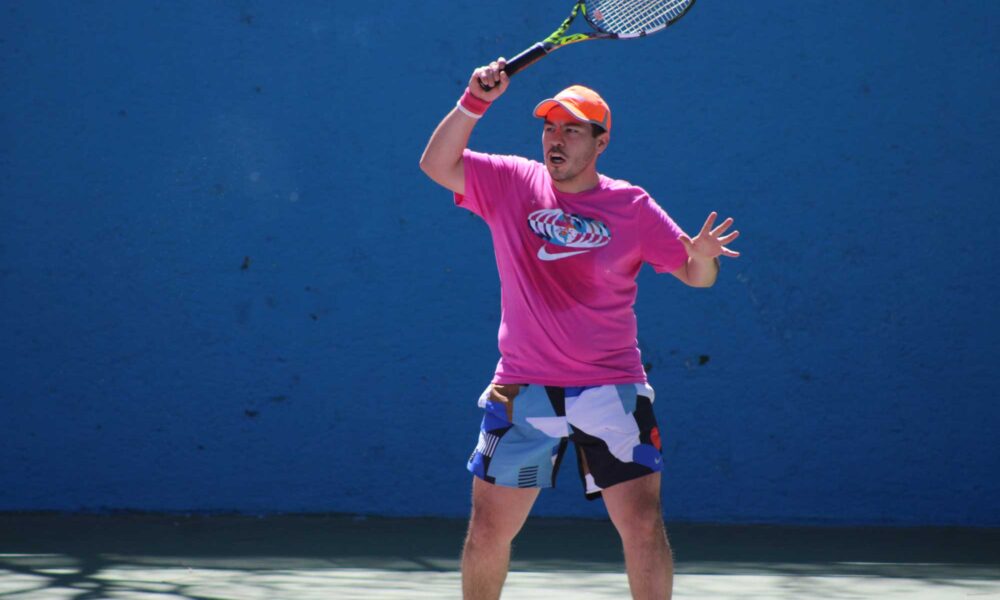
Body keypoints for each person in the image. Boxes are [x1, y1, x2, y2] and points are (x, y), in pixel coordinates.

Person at [419, 58, 740, 600]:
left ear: (601, 142)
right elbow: (436, 163)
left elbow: (695, 275)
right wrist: (474, 100)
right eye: (549, 127)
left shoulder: (631, 206)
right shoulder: (511, 182)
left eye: (572, 129)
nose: (556, 139)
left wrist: (705, 256)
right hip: (524, 388)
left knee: (641, 526)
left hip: (612, 388)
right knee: (488, 532)